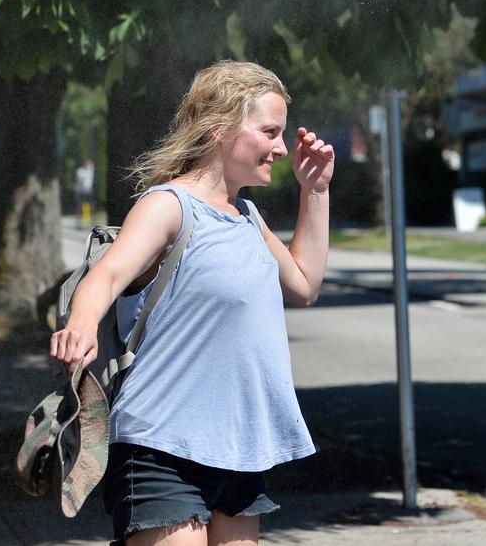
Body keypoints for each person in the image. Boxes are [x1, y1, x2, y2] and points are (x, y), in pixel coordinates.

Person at [50, 61, 334, 546]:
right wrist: (80, 323)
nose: (282, 148)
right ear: (221, 129)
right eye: (269, 131)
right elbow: (107, 275)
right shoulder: (168, 206)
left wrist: (317, 191)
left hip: (242, 447)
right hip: (163, 447)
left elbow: (304, 285)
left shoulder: (247, 216)